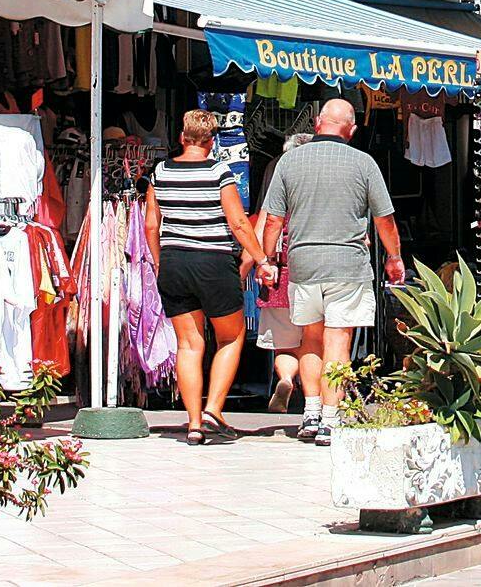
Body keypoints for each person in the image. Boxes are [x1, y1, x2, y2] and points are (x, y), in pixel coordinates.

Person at [258, 98, 402, 446]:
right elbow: (384, 220)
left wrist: (268, 260)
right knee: (337, 340)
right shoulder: (364, 163)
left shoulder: (288, 162)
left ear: (318, 123)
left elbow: (274, 219)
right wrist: (394, 258)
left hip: (304, 264)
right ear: (351, 129)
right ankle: (330, 419)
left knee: (309, 338)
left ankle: (308, 414)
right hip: (347, 265)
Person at [145, 109, 273, 446]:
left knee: (189, 344)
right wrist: (261, 259)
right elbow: (238, 223)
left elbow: (150, 225)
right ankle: (214, 409)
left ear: (181, 138)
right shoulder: (219, 171)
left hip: (174, 263)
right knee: (230, 337)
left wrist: (160, 262)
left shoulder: (161, 172)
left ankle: (193, 424)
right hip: (213, 262)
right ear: (212, 141)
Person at [252, 132, 313, 414]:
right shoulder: (318, 189)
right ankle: (316, 404)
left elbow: (266, 224)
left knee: (284, 344)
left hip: (280, 273)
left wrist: (263, 263)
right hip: (315, 272)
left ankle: (287, 378)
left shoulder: (279, 181)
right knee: (313, 340)